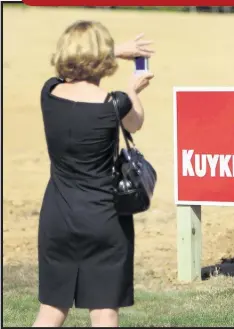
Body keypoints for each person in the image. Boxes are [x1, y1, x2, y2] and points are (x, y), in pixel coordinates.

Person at [32, 20, 154, 327]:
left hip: (56, 218)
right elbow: (135, 124)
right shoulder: (115, 103)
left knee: (51, 310)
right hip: (105, 220)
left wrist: (111, 51)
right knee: (103, 312)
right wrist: (132, 88)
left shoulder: (49, 93)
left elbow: (69, 68)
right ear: (102, 59)